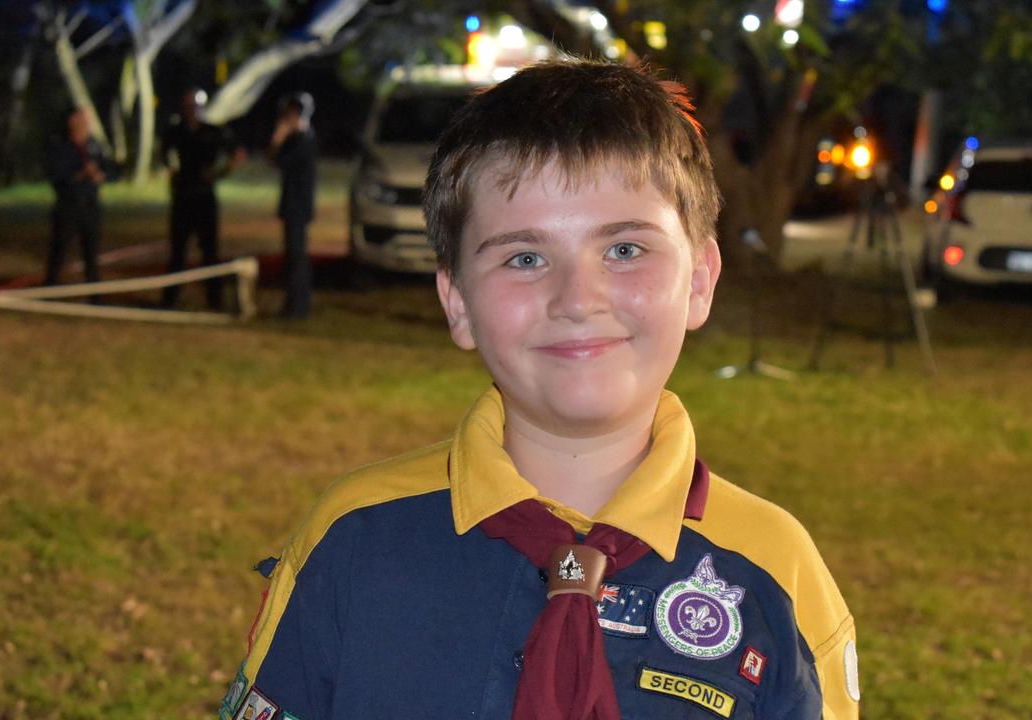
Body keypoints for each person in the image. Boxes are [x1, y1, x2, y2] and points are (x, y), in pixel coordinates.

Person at [219, 60, 858, 720]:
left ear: (698, 279)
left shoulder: (775, 572)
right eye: (524, 258)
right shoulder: (352, 539)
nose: (577, 299)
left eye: (624, 249)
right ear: (457, 300)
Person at [160, 88, 245, 309]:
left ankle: (214, 300)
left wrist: (219, 173)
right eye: (187, 106)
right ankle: (170, 298)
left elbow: (235, 154)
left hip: (204, 197)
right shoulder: (175, 132)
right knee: (178, 250)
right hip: (182, 196)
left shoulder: (212, 132)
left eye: (194, 106)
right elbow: (164, 155)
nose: (190, 110)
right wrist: (172, 172)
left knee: (210, 251)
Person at [44, 107, 114, 288]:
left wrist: (100, 174)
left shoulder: (95, 146)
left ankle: (95, 295)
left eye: (88, 122)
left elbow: (109, 169)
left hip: (90, 206)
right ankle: (49, 290)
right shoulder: (60, 145)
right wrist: (80, 175)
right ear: (72, 122)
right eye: (83, 121)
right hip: (68, 206)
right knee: (59, 251)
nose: (86, 125)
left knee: (91, 253)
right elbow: (55, 175)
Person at [269, 92, 317, 320]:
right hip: (293, 206)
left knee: (297, 258)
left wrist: (278, 137)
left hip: (297, 207)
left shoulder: (303, 139)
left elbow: (277, 161)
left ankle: (298, 307)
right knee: (293, 257)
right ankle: (293, 304)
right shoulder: (300, 138)